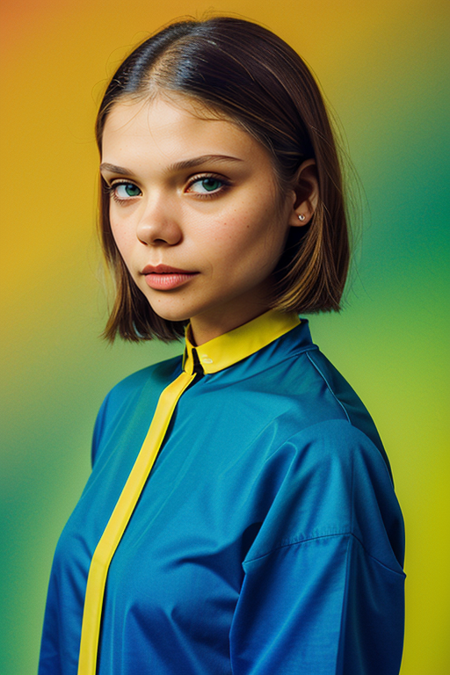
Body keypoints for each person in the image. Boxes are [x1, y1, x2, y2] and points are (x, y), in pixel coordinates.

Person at [38, 16, 405, 675]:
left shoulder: (318, 452)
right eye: (126, 186)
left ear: (301, 195)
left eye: (205, 181)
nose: (151, 226)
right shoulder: (127, 407)